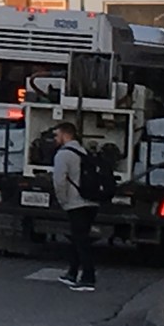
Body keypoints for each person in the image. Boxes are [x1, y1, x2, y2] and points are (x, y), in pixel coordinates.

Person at [52, 121, 98, 291]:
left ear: (65, 135)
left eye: (57, 135)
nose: (55, 139)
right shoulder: (83, 151)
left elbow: (59, 181)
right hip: (91, 201)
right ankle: (72, 272)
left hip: (76, 202)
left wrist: (62, 200)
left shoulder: (63, 155)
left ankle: (88, 277)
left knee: (80, 240)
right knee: (78, 237)